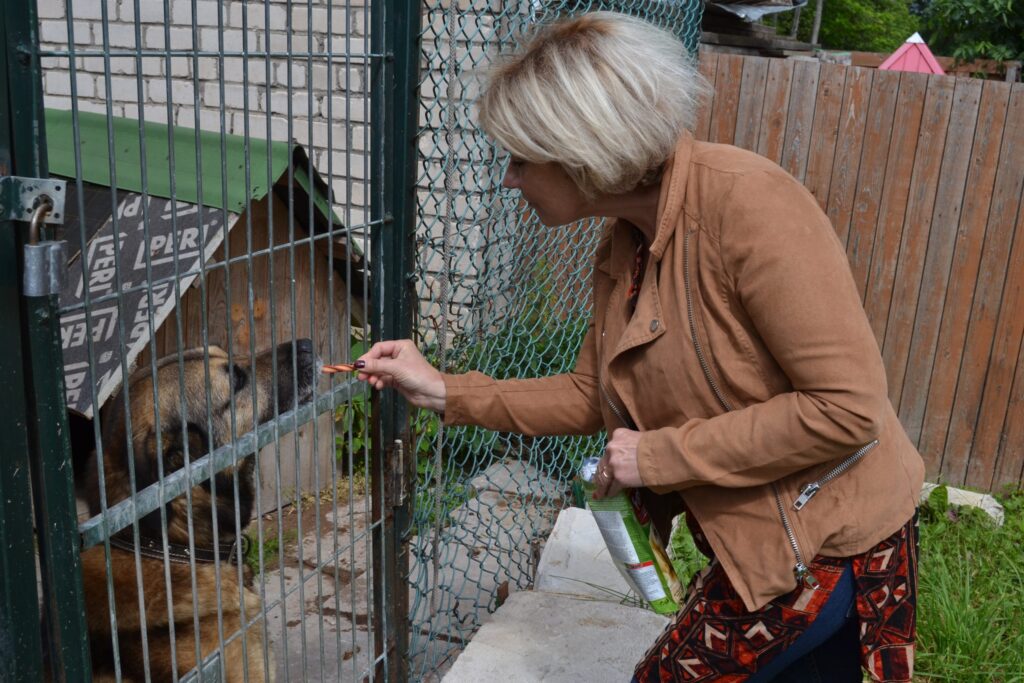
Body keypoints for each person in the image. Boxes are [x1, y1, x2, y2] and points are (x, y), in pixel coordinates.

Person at [354, 11, 924, 683]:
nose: (509, 180)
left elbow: (847, 408)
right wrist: (445, 389)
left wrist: (655, 456)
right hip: (764, 536)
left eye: (520, 159)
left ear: (580, 151)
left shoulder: (751, 206)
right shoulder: (627, 242)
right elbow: (587, 393)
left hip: (830, 541)